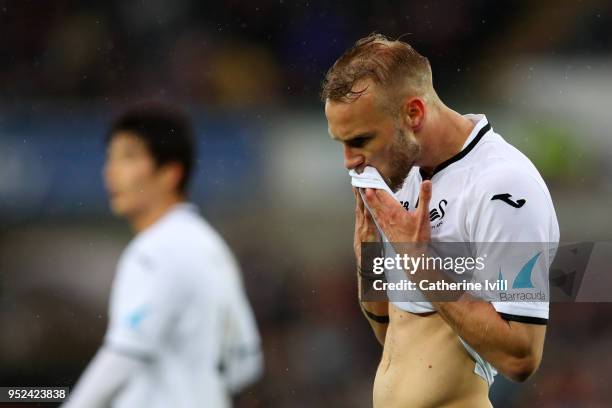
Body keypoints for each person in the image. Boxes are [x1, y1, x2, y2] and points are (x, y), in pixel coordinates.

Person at [322, 34, 559, 407]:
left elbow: (522, 356)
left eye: (361, 139)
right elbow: (392, 336)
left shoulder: (504, 186)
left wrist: (421, 267)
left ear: (413, 113)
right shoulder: (401, 174)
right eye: (342, 143)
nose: (350, 161)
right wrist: (370, 261)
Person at [63, 104, 262, 408]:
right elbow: (246, 363)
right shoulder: (212, 247)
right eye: (110, 158)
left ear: (170, 173)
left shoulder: (155, 250)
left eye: (128, 157)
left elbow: (123, 354)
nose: (111, 171)